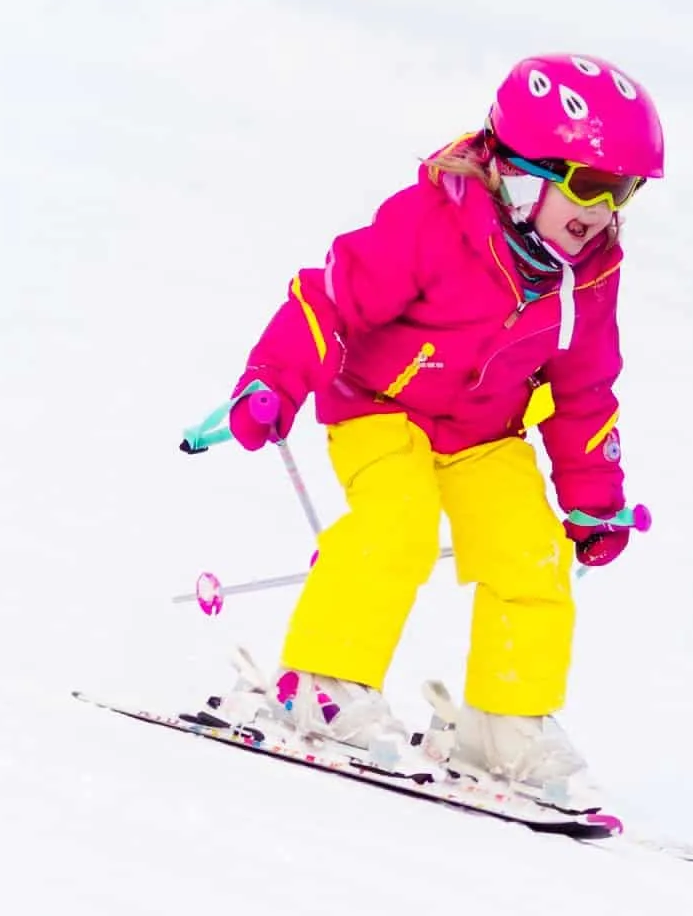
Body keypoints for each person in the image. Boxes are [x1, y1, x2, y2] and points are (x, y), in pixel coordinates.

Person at [222, 53, 664, 801]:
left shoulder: (589, 272)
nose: (604, 208)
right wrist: (271, 381)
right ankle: (322, 684)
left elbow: (584, 389)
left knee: (534, 560)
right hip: (378, 407)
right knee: (399, 527)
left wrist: (593, 499)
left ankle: (504, 724)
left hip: (483, 435)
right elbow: (331, 297)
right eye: (589, 183)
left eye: (624, 190)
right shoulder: (431, 223)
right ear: (525, 169)